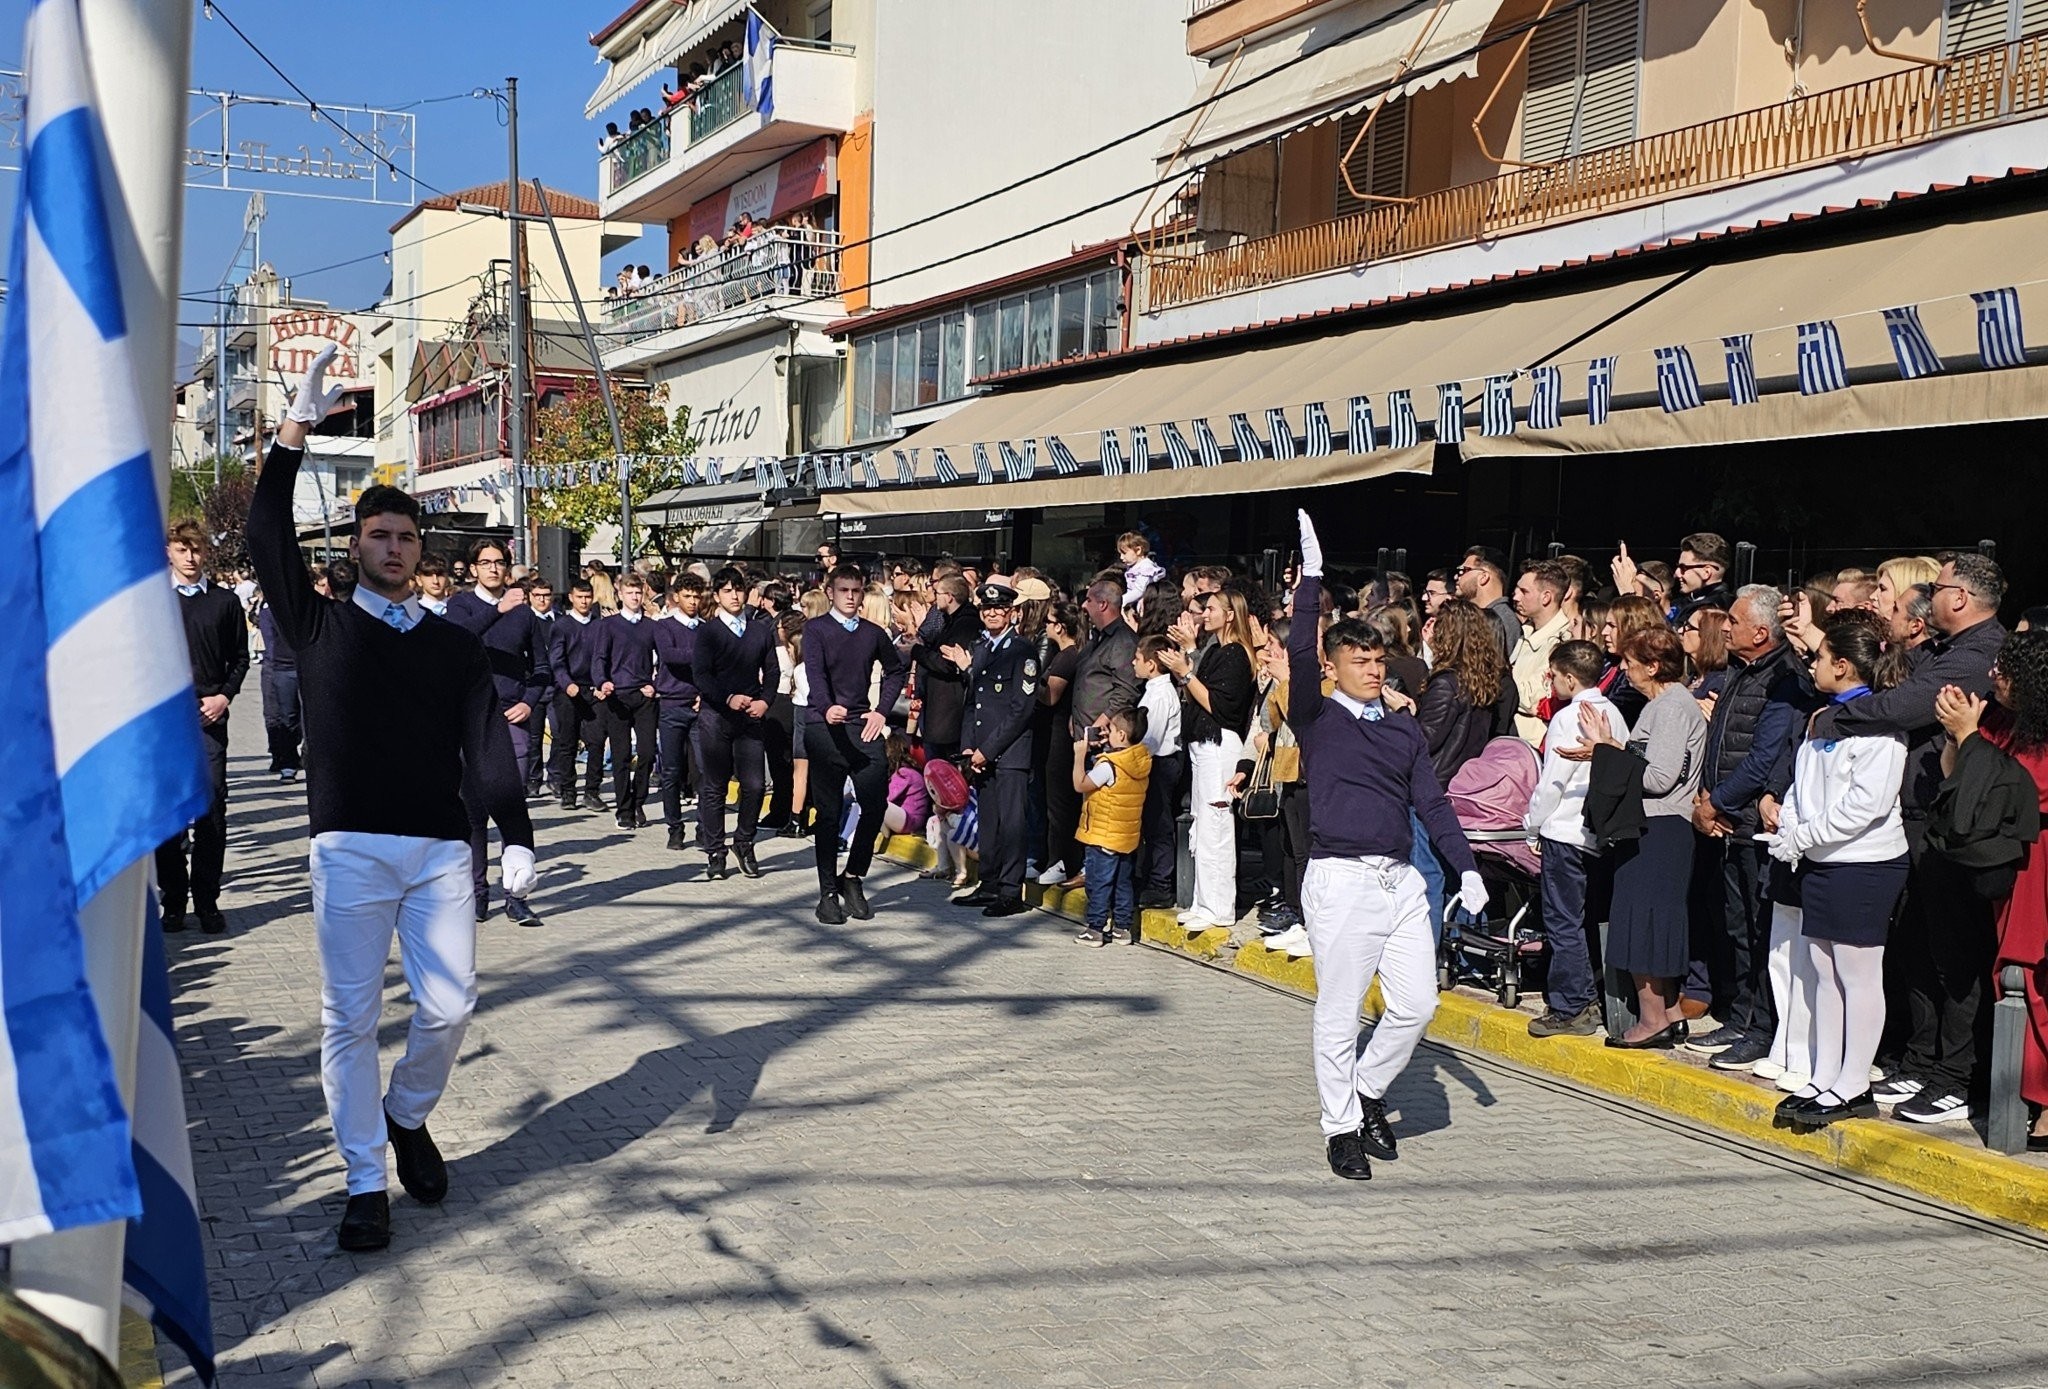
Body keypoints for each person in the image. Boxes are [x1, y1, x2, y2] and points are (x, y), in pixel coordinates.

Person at [248, 344, 536, 1251]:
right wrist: (296, 428)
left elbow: (486, 740)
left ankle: (407, 1114)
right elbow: (262, 534)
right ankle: (366, 1177)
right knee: (351, 1018)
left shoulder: (452, 643)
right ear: (355, 545)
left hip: (443, 848)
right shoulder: (319, 621)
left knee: (450, 1009)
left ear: (421, 550)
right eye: (380, 535)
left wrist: (517, 831)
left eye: (407, 537)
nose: (396, 547)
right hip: (351, 847)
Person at [1289, 512, 1485, 1181]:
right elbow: (1295, 649)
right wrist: (1311, 580)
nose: (1373, 669)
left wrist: (1466, 867)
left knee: (1417, 1005)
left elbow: (1431, 801)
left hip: (1400, 880)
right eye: (1359, 660)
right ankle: (1340, 1125)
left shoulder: (1403, 729)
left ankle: (1367, 1089)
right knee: (1340, 1009)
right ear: (1334, 665)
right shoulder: (1316, 716)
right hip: (1340, 878)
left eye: (1378, 659)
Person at [1838, 553, 2007, 1123]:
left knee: (1953, 952)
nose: (1931, 594)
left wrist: (1840, 715)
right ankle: (1920, 1058)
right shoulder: (1940, 650)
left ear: (1960, 599)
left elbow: (1906, 708)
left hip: (1948, 822)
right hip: (1914, 817)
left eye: (1940, 587)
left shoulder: (1978, 654)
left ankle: (1955, 1074)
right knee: (1916, 943)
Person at [1758, 616, 1909, 1126]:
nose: (1813, 662)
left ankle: (1853, 1082)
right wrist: (1793, 824)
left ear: (1842, 666)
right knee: (1822, 968)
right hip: (1822, 861)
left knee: (1858, 972)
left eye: (1820, 657)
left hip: (1864, 864)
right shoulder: (1822, 719)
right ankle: (1824, 1074)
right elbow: (1804, 783)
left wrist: (1803, 835)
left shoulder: (1881, 728)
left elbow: (1867, 804)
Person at [1685, 585, 1808, 1068]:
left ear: (1761, 631)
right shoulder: (1739, 669)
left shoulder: (1782, 678)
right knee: (1735, 925)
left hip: (1750, 821)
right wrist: (1707, 800)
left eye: (1734, 620)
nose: (1725, 627)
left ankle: (1761, 1027)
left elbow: (1763, 757)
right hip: (1724, 817)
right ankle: (1739, 1016)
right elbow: (1721, 740)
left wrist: (1715, 803)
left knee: (1759, 929)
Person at [1937, 630, 2048, 1143]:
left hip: (2038, 861)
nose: (1991, 675)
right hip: (2006, 863)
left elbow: (2012, 785)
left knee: (2029, 971)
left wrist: (1969, 736)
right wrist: (1962, 735)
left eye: (2004, 667)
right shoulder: (2001, 720)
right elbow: (1959, 776)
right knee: (2011, 970)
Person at [1577, 628, 1708, 1047]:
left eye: (1630, 664)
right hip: (1660, 827)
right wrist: (1615, 744)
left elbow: (1658, 776)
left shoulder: (1669, 707)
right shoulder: (1665, 705)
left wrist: (1609, 753)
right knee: (1653, 921)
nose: (1624, 671)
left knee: (1642, 923)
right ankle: (1668, 1011)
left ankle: (1651, 1018)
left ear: (1653, 667)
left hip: (1660, 828)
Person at [1523, 640, 1630, 1037]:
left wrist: (1532, 825)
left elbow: (1553, 782)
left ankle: (1571, 1005)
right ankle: (1590, 995)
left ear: (1570, 677)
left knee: (1563, 920)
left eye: (1552, 675)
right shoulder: (1614, 714)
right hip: (1597, 835)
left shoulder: (1569, 718)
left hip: (1565, 831)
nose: (1549, 682)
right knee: (1587, 917)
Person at [445, 540, 550, 928]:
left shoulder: (524, 615)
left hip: (511, 719)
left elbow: (542, 666)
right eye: (484, 562)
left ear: (508, 569)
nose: (492, 568)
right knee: (472, 814)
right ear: (473, 569)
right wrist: (496, 610)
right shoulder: (461, 606)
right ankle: (477, 894)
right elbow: (457, 640)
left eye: (499, 562)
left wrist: (529, 701)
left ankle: (516, 896)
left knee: (511, 806)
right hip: (469, 721)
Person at [803, 564, 908, 924]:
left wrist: (881, 711)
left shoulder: (873, 633)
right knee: (830, 814)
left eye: (856, 590)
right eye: (844, 589)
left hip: (862, 727)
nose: (850, 596)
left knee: (874, 804)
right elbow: (815, 671)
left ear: (863, 594)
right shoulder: (815, 629)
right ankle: (827, 892)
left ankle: (853, 877)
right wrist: (825, 704)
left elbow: (896, 671)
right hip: (825, 727)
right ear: (830, 592)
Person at [160, 520, 249, 934]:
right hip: (165, 724)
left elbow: (240, 658)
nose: (190, 557)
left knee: (212, 809)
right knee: (170, 815)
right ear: (169, 553)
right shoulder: (155, 601)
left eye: (196, 549)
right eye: (182, 549)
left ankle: (207, 900)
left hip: (209, 718)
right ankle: (174, 901)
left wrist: (224, 696)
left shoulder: (225, 602)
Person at [1156, 588, 1258, 933]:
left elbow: (1220, 705)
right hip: (1201, 744)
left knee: (1216, 825)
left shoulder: (1236, 655)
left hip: (1220, 744)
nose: (1205, 614)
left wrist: (1186, 672)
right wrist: (1188, 661)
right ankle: (1203, 900)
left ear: (1230, 614)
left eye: (1212, 608)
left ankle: (1220, 905)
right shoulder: (1217, 650)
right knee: (1202, 823)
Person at [948, 581, 1037, 917]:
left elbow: (1021, 709)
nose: (992, 614)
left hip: (1010, 751)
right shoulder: (982, 648)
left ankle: (1011, 891)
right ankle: (988, 883)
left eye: (999, 609)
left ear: (1011, 612)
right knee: (989, 820)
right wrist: (970, 748)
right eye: (987, 609)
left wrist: (988, 749)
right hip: (982, 752)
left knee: (1012, 822)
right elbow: (973, 704)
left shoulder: (1022, 650)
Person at [693, 566, 777, 881]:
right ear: (717, 596)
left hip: (750, 718)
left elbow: (772, 671)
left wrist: (765, 701)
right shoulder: (708, 631)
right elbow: (701, 675)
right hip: (716, 716)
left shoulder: (759, 630)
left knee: (754, 785)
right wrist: (727, 698)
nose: (734, 595)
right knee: (714, 786)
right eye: (727, 590)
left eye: (738, 589)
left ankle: (744, 841)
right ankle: (716, 851)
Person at [1071, 706, 1154, 947]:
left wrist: (1080, 755)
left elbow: (1081, 784)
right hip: (1126, 837)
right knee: (1123, 883)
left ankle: (1095, 929)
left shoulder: (1109, 765)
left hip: (1102, 835)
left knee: (1099, 883)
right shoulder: (1140, 761)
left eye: (1112, 729)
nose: (1107, 732)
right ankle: (1122, 928)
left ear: (1120, 735)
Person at [1416, 598, 1512, 787]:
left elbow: (1424, 741)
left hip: (1435, 783)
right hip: (1464, 781)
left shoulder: (1446, 683)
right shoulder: (1482, 680)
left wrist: (1401, 712)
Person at [594, 574, 660, 831]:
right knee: (621, 756)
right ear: (620, 595)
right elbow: (599, 658)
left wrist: (655, 685)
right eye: (629, 593)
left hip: (643, 696)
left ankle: (638, 801)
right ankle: (624, 809)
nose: (634, 597)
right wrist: (602, 682)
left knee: (647, 752)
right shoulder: (608, 626)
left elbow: (663, 659)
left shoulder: (651, 627)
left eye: (638, 593)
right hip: (617, 697)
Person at [1034, 600, 1086, 888]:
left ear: (1060, 626)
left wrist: (1031, 684)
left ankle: (1062, 860)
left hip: (1060, 736)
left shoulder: (1068, 656)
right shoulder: (1060, 653)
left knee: (1059, 802)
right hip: (1051, 733)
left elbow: (1051, 696)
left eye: (1049, 621)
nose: (1045, 626)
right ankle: (1053, 857)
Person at [652, 573, 705, 852]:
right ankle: (675, 827)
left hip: (699, 705)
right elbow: (670, 656)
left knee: (704, 770)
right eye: (688, 596)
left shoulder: (706, 628)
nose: (693, 601)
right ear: (676, 597)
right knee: (672, 771)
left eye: (697, 596)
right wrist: (702, 654)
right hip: (672, 704)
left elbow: (714, 666)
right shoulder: (664, 627)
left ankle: (703, 827)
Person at [1134, 634, 1185, 909]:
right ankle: (1150, 875)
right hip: (1153, 762)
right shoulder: (1152, 690)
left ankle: (1160, 883)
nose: (1134, 663)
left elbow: (1151, 739)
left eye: (1138, 659)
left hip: (1160, 764)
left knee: (1159, 824)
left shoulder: (1161, 695)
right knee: (1150, 824)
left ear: (1151, 664)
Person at [549, 579, 607, 811]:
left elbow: (605, 656)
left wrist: (602, 683)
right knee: (567, 743)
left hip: (593, 690)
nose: (584, 601)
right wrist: (566, 683)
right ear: (571, 598)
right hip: (568, 691)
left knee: (597, 742)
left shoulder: (600, 626)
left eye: (587, 597)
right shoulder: (561, 626)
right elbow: (556, 659)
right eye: (579, 597)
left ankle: (592, 791)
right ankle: (568, 791)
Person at [1508, 561, 1571, 745]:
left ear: (1546, 597)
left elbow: (1535, 698)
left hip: (1530, 745)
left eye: (1524, 591)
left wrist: (1494, 682)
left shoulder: (1563, 643)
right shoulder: (1525, 631)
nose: (1515, 596)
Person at [254, 590, 303, 784]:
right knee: (286, 717)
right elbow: (270, 643)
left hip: (305, 666)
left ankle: (306, 758)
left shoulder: (304, 606)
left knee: (309, 718)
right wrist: (272, 670)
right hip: (281, 668)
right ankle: (287, 762)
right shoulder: (268, 611)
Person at [1455, 548, 1521, 660]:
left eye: (1463, 570)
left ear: (1483, 577)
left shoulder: (1502, 620)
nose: (1456, 577)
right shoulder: (1479, 616)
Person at [524, 581, 557, 797]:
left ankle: (555, 777)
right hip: (533, 685)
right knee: (534, 737)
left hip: (557, 685)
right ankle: (534, 778)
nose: (542, 599)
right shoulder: (524, 620)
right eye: (537, 595)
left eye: (546, 595)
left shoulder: (560, 621)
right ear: (530, 597)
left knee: (560, 733)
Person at [883, 732, 929, 837]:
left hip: (910, 821)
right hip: (910, 820)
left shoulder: (904, 773)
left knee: (876, 802)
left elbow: (888, 796)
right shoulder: (908, 770)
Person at [1681, 606, 1731, 702]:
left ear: (1707, 637)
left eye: (1689, 627)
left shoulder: (1718, 684)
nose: (1680, 631)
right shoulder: (1693, 677)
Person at [1117, 531, 1167, 611]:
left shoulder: (1145, 568)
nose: (1121, 557)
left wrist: (1122, 600)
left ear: (1138, 550)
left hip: (1148, 604)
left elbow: (1140, 590)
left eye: (1124, 553)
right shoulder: (1134, 567)